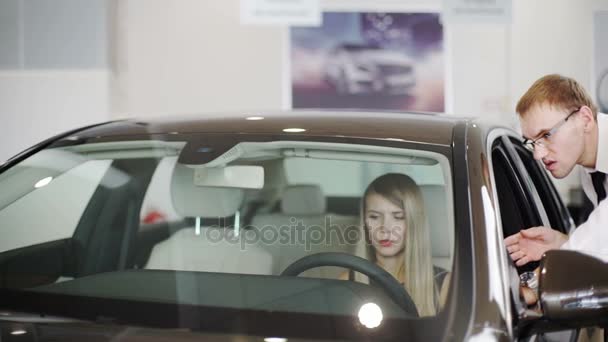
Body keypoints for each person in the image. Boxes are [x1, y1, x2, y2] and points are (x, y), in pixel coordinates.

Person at [504, 74, 608, 287]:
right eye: (533, 142)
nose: (537, 154)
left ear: (585, 119)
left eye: (547, 135)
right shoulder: (590, 168)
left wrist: (530, 285)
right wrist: (562, 243)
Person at [340, 173, 449, 317]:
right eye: (374, 217)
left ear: (414, 222)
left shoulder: (445, 285)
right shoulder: (347, 280)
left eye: (398, 217)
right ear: (364, 222)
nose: (385, 227)